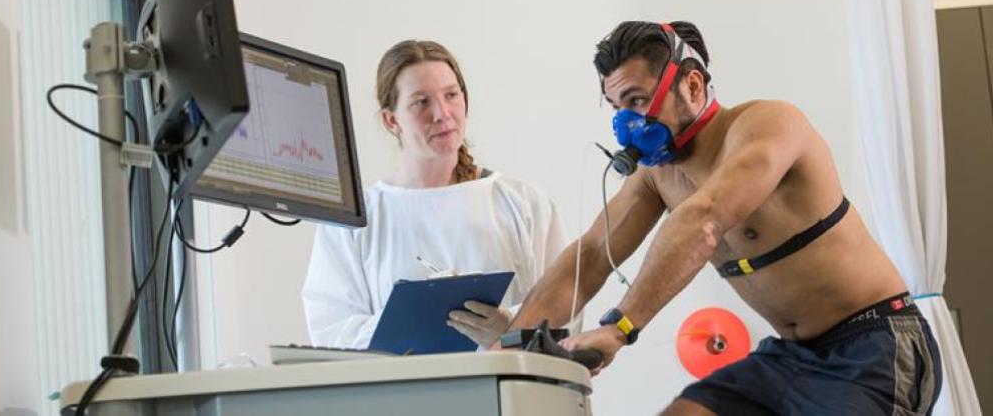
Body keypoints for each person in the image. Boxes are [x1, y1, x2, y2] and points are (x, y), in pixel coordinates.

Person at [510, 21, 942, 415]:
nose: (627, 124)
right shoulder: (657, 176)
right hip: (790, 356)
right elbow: (591, 256)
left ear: (692, 86)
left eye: (638, 101)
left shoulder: (768, 125)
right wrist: (502, 351)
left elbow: (704, 219)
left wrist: (619, 328)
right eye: (617, 107)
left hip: (875, 343)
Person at [302, 39, 571, 350]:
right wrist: (416, 317)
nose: (442, 113)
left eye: (451, 95)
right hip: (402, 395)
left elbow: (567, 300)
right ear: (391, 120)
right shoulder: (355, 220)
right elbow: (331, 330)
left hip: (511, 391)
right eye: (421, 102)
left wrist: (511, 326)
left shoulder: (523, 203)